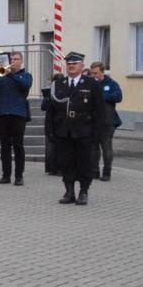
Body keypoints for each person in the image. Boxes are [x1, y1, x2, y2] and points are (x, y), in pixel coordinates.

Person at [48, 51, 108, 205]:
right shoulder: (58, 84)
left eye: (74, 64)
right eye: (68, 64)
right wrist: (50, 131)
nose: (71, 66)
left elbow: (100, 111)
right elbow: (51, 111)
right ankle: (69, 191)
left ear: (82, 66)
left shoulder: (91, 84)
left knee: (84, 163)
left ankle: (83, 191)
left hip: (84, 131)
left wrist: (97, 133)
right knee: (66, 162)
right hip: (64, 130)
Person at [0, 51, 32, 185]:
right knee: (4, 146)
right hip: (2, 113)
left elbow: (25, 86)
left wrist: (10, 74)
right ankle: (6, 175)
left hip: (18, 114)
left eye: (16, 59)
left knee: (18, 146)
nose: (13, 61)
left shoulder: (26, 75)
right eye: (11, 59)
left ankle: (19, 176)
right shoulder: (1, 76)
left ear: (21, 61)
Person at [91, 62, 122, 181]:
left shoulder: (111, 84)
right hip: (93, 121)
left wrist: (101, 95)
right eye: (92, 73)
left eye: (96, 73)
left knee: (106, 148)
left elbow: (118, 97)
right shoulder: (91, 84)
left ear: (102, 72)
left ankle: (107, 172)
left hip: (108, 121)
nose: (94, 76)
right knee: (93, 148)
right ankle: (94, 171)